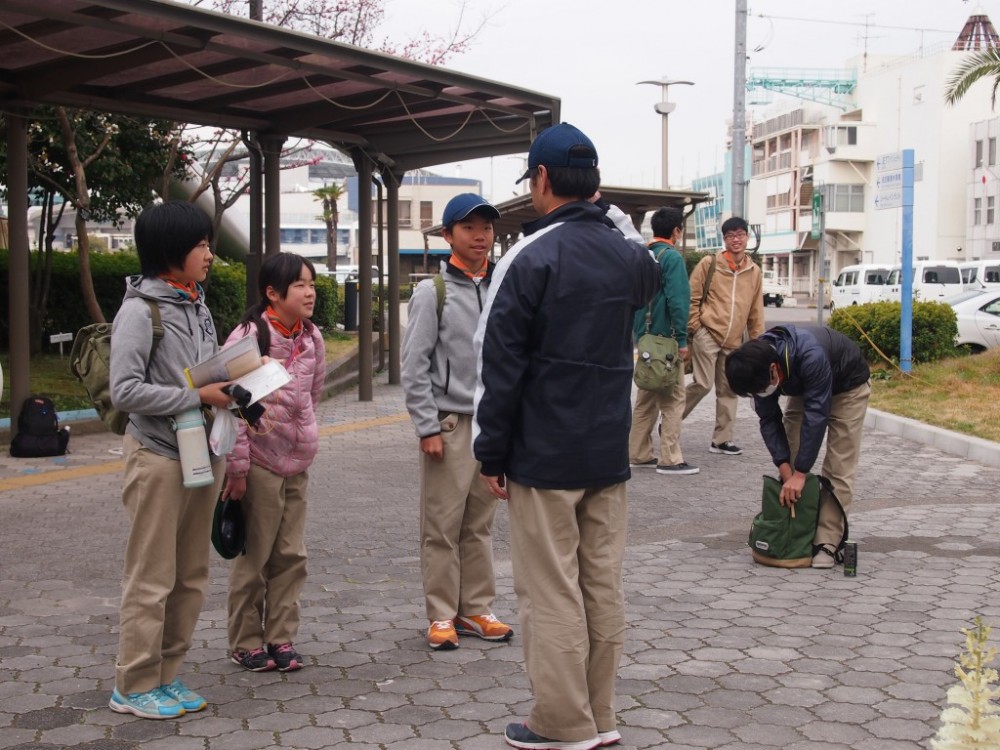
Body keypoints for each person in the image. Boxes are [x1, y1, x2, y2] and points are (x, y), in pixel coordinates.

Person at [473, 123, 660, 750]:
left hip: (543, 454)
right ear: (597, 185)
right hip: (607, 451)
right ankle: (600, 717)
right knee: (601, 586)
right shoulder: (627, 254)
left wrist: (490, 452)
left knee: (550, 590)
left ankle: (559, 723)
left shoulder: (527, 256)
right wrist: (610, 215)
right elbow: (650, 269)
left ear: (542, 181)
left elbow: (496, 364)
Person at [108, 201, 232, 719]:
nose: (208, 253)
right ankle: (133, 684)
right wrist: (196, 398)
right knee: (152, 575)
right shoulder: (141, 311)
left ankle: (166, 675)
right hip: (159, 455)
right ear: (169, 251)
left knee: (190, 574)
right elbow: (125, 391)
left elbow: (204, 371)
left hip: (202, 453)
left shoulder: (196, 304)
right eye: (200, 245)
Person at [401, 193, 514, 651]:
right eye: (469, 228)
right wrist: (427, 425)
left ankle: (477, 608)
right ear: (448, 235)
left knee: (479, 524)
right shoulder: (434, 292)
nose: (481, 236)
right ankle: (442, 614)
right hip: (449, 424)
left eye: (486, 227)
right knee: (442, 525)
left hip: (491, 424)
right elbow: (414, 365)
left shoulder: (504, 285)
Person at [224, 252, 327, 672]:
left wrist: (303, 439)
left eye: (312, 284)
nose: (309, 292)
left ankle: (280, 637)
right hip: (259, 464)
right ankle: (246, 640)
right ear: (272, 292)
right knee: (255, 556)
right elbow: (231, 408)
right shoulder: (249, 339)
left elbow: (313, 395)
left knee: (290, 555)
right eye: (300, 284)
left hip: (297, 463)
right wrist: (238, 470)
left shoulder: (312, 338)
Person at [724, 324, 871, 568]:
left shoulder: (810, 356)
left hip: (848, 387)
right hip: (806, 387)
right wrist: (785, 467)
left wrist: (801, 473)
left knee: (839, 464)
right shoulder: (757, 368)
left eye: (761, 390)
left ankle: (827, 541)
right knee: (790, 459)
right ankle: (795, 534)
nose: (761, 394)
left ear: (774, 369)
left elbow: (816, 417)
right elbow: (769, 420)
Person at [682, 215, 765, 456]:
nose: (736, 240)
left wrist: (757, 342)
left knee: (730, 389)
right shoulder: (709, 264)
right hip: (707, 333)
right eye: (730, 236)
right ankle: (671, 421)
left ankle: (721, 440)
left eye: (740, 235)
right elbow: (693, 297)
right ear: (724, 239)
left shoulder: (754, 271)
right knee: (702, 383)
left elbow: (755, 310)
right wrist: (696, 326)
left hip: (734, 340)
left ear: (747, 237)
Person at [628, 207, 697, 476]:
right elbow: (678, 301)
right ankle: (670, 458)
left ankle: (637, 453)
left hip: (643, 339)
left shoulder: (641, 256)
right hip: (666, 341)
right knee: (673, 398)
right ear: (676, 231)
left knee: (646, 397)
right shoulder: (672, 259)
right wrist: (682, 339)